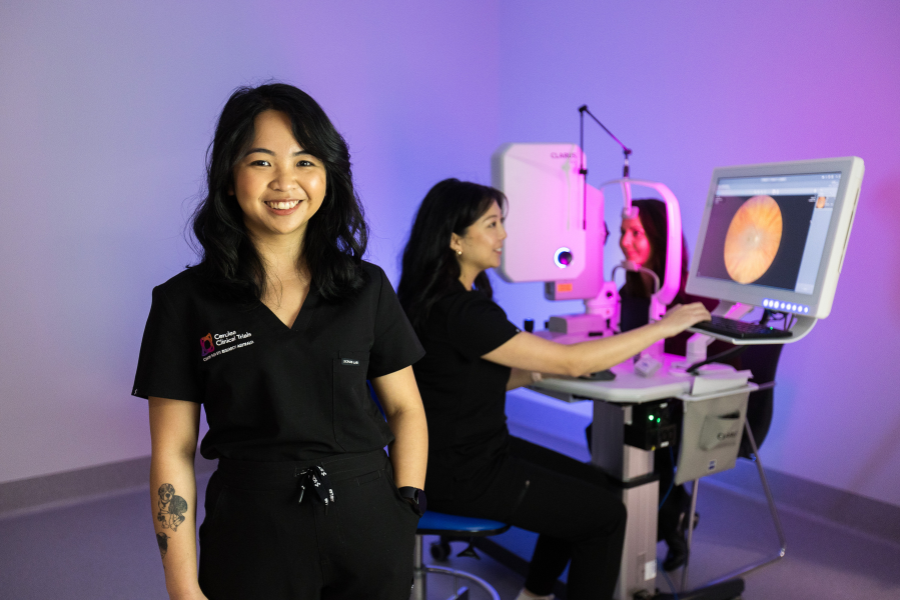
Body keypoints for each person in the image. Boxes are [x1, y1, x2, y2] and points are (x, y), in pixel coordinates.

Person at [132, 83, 428, 600]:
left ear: (328, 177)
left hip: (371, 524)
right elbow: (173, 452)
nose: (286, 182)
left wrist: (407, 505)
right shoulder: (184, 302)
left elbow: (406, 410)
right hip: (253, 529)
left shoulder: (366, 287)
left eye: (305, 161)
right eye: (262, 162)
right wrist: (182, 587)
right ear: (229, 178)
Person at [397, 179, 711, 600]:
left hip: (447, 459)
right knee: (605, 516)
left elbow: (466, 381)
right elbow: (571, 361)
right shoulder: (464, 310)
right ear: (455, 239)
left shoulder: (434, 297)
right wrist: (664, 327)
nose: (503, 235)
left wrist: (536, 371)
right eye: (492, 224)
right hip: (466, 473)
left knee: (596, 485)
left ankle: (535, 594)